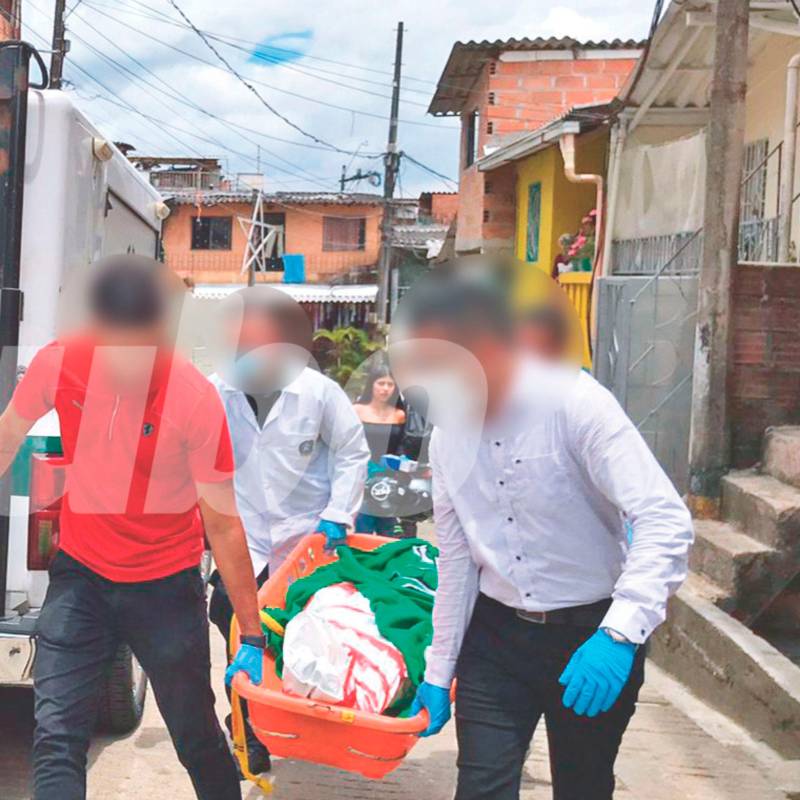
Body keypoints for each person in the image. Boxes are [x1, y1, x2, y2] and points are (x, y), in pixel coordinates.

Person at [396, 272, 693, 800]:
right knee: (481, 787)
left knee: (582, 786)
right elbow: (458, 560)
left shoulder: (576, 404)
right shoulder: (446, 438)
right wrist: (439, 670)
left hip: (589, 633)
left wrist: (620, 633)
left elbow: (663, 518)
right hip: (496, 638)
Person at [0, 256, 263, 800]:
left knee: (195, 736)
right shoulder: (60, 363)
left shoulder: (193, 398)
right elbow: (7, 437)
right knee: (56, 737)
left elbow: (223, 525)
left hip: (165, 588)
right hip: (81, 578)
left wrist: (252, 631)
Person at [208, 286, 370, 773]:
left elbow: (352, 451)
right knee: (236, 633)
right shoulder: (215, 390)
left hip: (307, 542)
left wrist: (339, 512)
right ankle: (248, 732)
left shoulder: (317, 392)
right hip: (243, 542)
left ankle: (300, 722)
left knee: (304, 638)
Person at [352, 360, 406, 535]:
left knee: (389, 533)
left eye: (390, 384)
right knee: (363, 530)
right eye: (381, 383)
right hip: (361, 477)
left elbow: (402, 446)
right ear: (372, 385)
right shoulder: (356, 411)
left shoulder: (400, 415)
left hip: (390, 478)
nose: (385, 388)